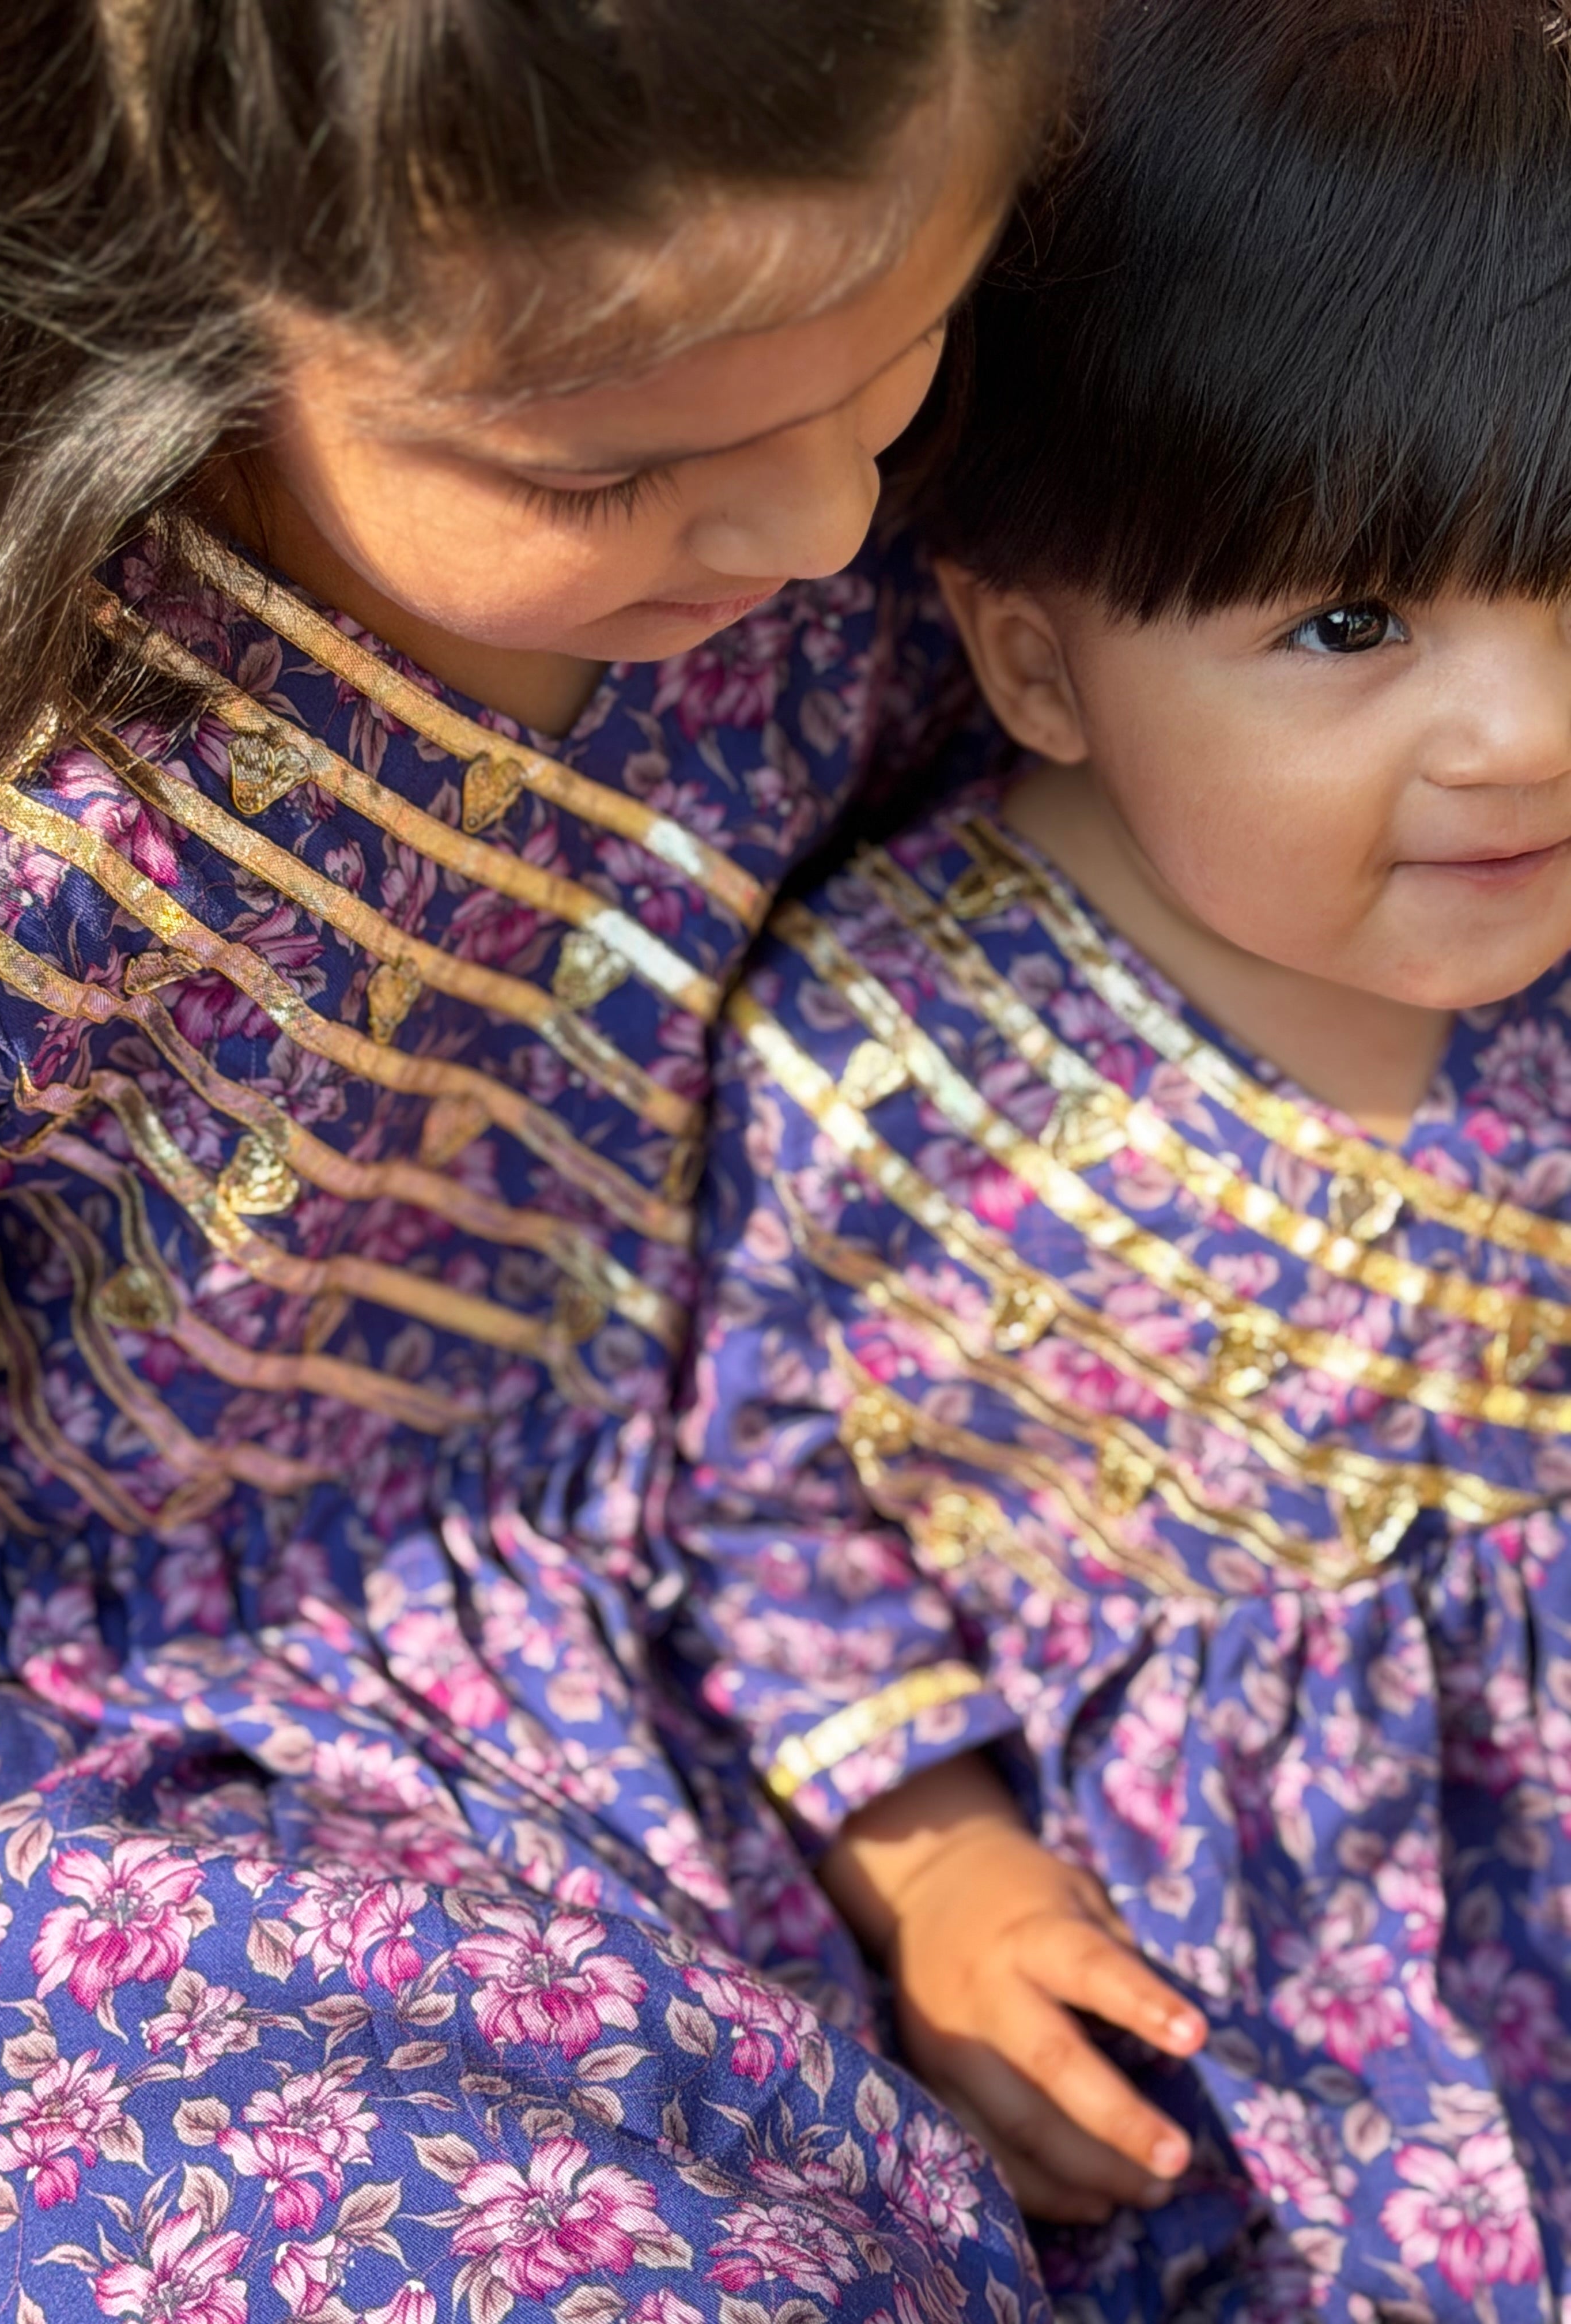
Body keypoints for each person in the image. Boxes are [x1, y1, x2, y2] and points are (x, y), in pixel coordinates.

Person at [0, 2, 1067, 2317]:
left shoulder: (861, 529)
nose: (820, 526)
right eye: (601, 473)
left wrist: (910, 1793)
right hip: (135, 1799)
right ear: (160, 295)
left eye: (896, 357)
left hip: (772, 1567)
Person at [673, 1, 1571, 2315]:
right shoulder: (896, 1056)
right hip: (1262, 2065)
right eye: (1350, 621)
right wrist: (944, 1869)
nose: (1528, 729)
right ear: (1042, 665)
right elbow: (774, 1524)